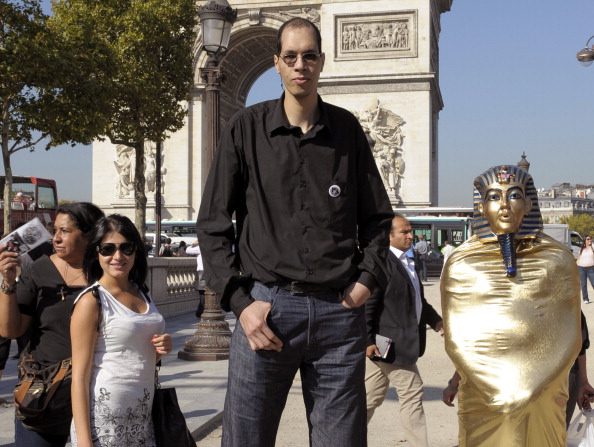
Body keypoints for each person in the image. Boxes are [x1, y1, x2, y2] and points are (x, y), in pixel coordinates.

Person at [196, 17, 393, 447]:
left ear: (322, 61)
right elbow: (212, 224)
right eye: (290, 57)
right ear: (277, 64)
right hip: (265, 311)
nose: (299, 64)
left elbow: (379, 219)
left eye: (308, 55)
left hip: (339, 316)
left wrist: (366, 282)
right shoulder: (244, 129)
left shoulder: (349, 132)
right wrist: (239, 303)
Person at [441, 165, 581, 446]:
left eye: (513, 196)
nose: (504, 206)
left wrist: (534, 385)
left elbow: (568, 334)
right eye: (494, 197)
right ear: (481, 207)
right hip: (483, 386)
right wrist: (497, 387)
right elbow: (458, 338)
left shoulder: (558, 259)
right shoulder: (461, 263)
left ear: (529, 204)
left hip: (543, 386)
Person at [0, 202, 104, 446]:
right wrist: (7, 283)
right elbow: (10, 330)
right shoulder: (38, 270)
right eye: (54, 230)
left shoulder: (107, 273)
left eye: (64, 231)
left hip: (98, 392)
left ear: (88, 234)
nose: (55, 238)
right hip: (44, 396)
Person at [70, 214, 172, 446]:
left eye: (126, 248)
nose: (118, 256)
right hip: (104, 422)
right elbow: (79, 377)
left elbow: (134, 353)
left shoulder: (142, 292)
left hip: (143, 417)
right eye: (108, 249)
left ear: (136, 251)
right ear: (96, 253)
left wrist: (161, 347)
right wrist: (85, 442)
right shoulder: (91, 301)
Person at [365, 214, 443, 447]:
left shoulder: (408, 262)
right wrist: (367, 341)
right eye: (404, 232)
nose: (411, 236)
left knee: (371, 396)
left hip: (391, 342)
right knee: (412, 392)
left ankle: (343, 438)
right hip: (389, 344)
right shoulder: (381, 263)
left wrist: (437, 322)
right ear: (389, 236)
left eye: (410, 231)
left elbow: (419, 301)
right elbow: (368, 307)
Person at [577, 235, 594, 304]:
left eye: (590, 239)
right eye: (588, 239)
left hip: (591, 269)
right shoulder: (581, 249)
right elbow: (579, 258)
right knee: (583, 284)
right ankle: (585, 299)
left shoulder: (593, 246)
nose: (590, 240)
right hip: (581, 268)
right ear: (585, 240)